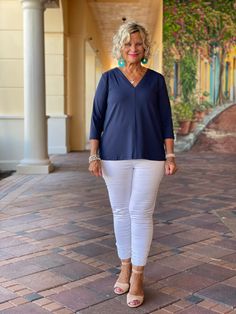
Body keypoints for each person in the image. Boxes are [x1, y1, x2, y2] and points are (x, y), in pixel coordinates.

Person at [88, 21, 177, 308]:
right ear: (121, 47)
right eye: (128, 44)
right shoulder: (108, 79)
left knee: (141, 213)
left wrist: (171, 155)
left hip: (151, 156)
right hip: (113, 157)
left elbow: (166, 120)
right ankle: (124, 265)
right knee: (120, 212)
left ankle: (138, 275)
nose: (133, 48)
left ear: (144, 46)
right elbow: (96, 120)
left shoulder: (156, 80)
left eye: (138, 43)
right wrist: (93, 154)